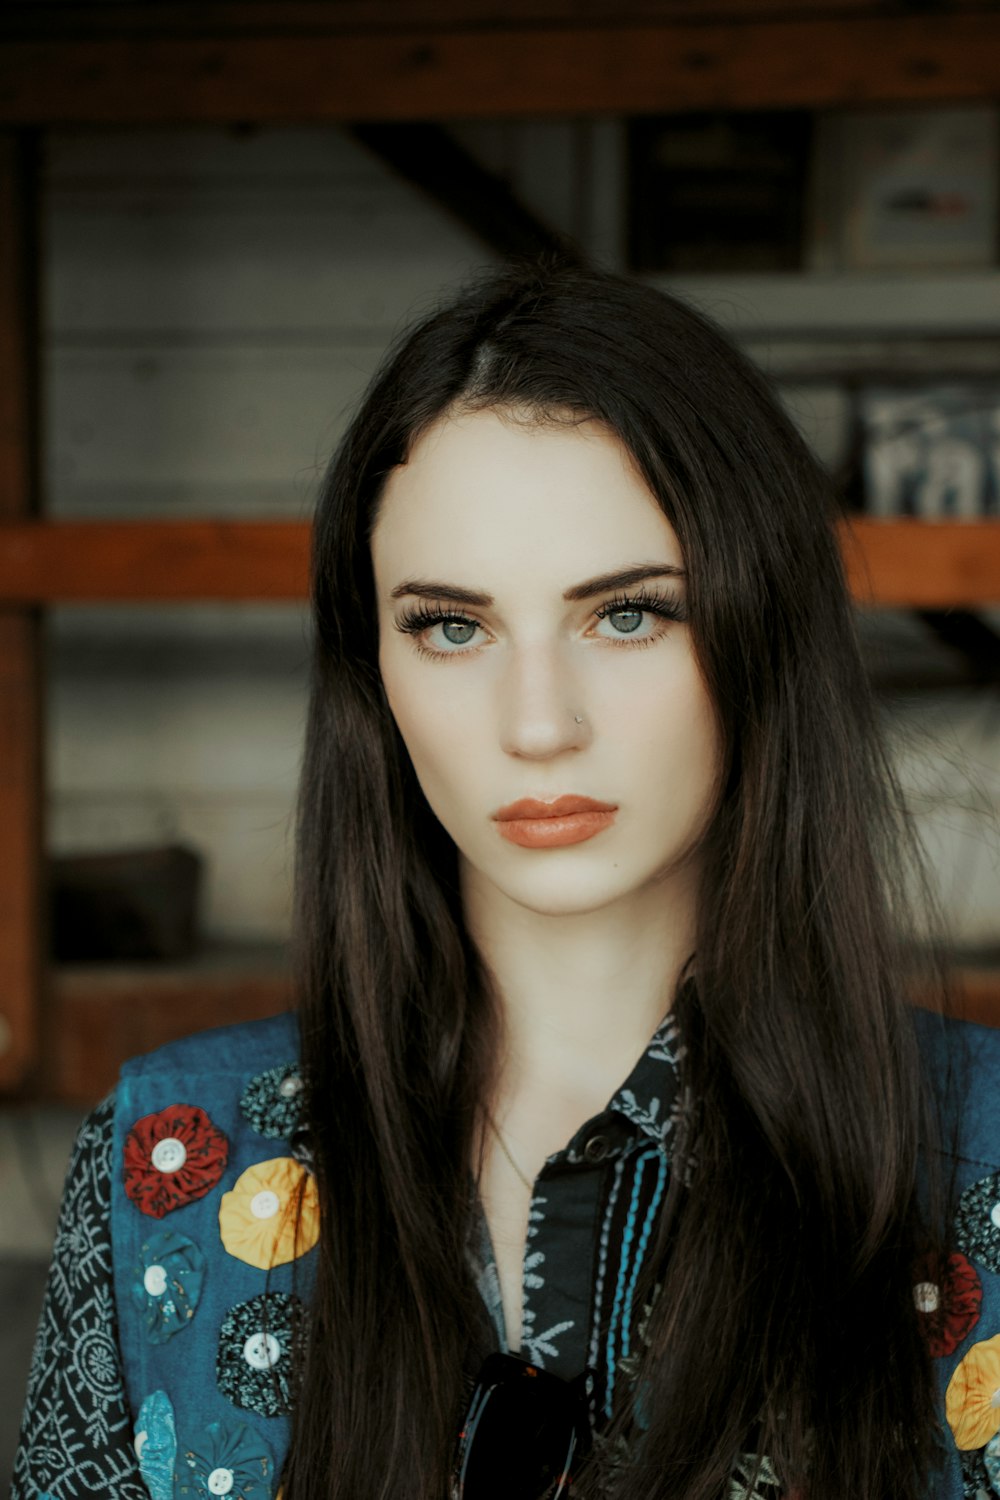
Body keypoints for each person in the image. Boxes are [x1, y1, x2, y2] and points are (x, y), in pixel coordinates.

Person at [12, 259, 1000, 1500]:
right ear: (372, 671)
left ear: (762, 632)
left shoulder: (984, 1163)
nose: (538, 724)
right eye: (451, 626)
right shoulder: (167, 1162)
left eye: (628, 615)